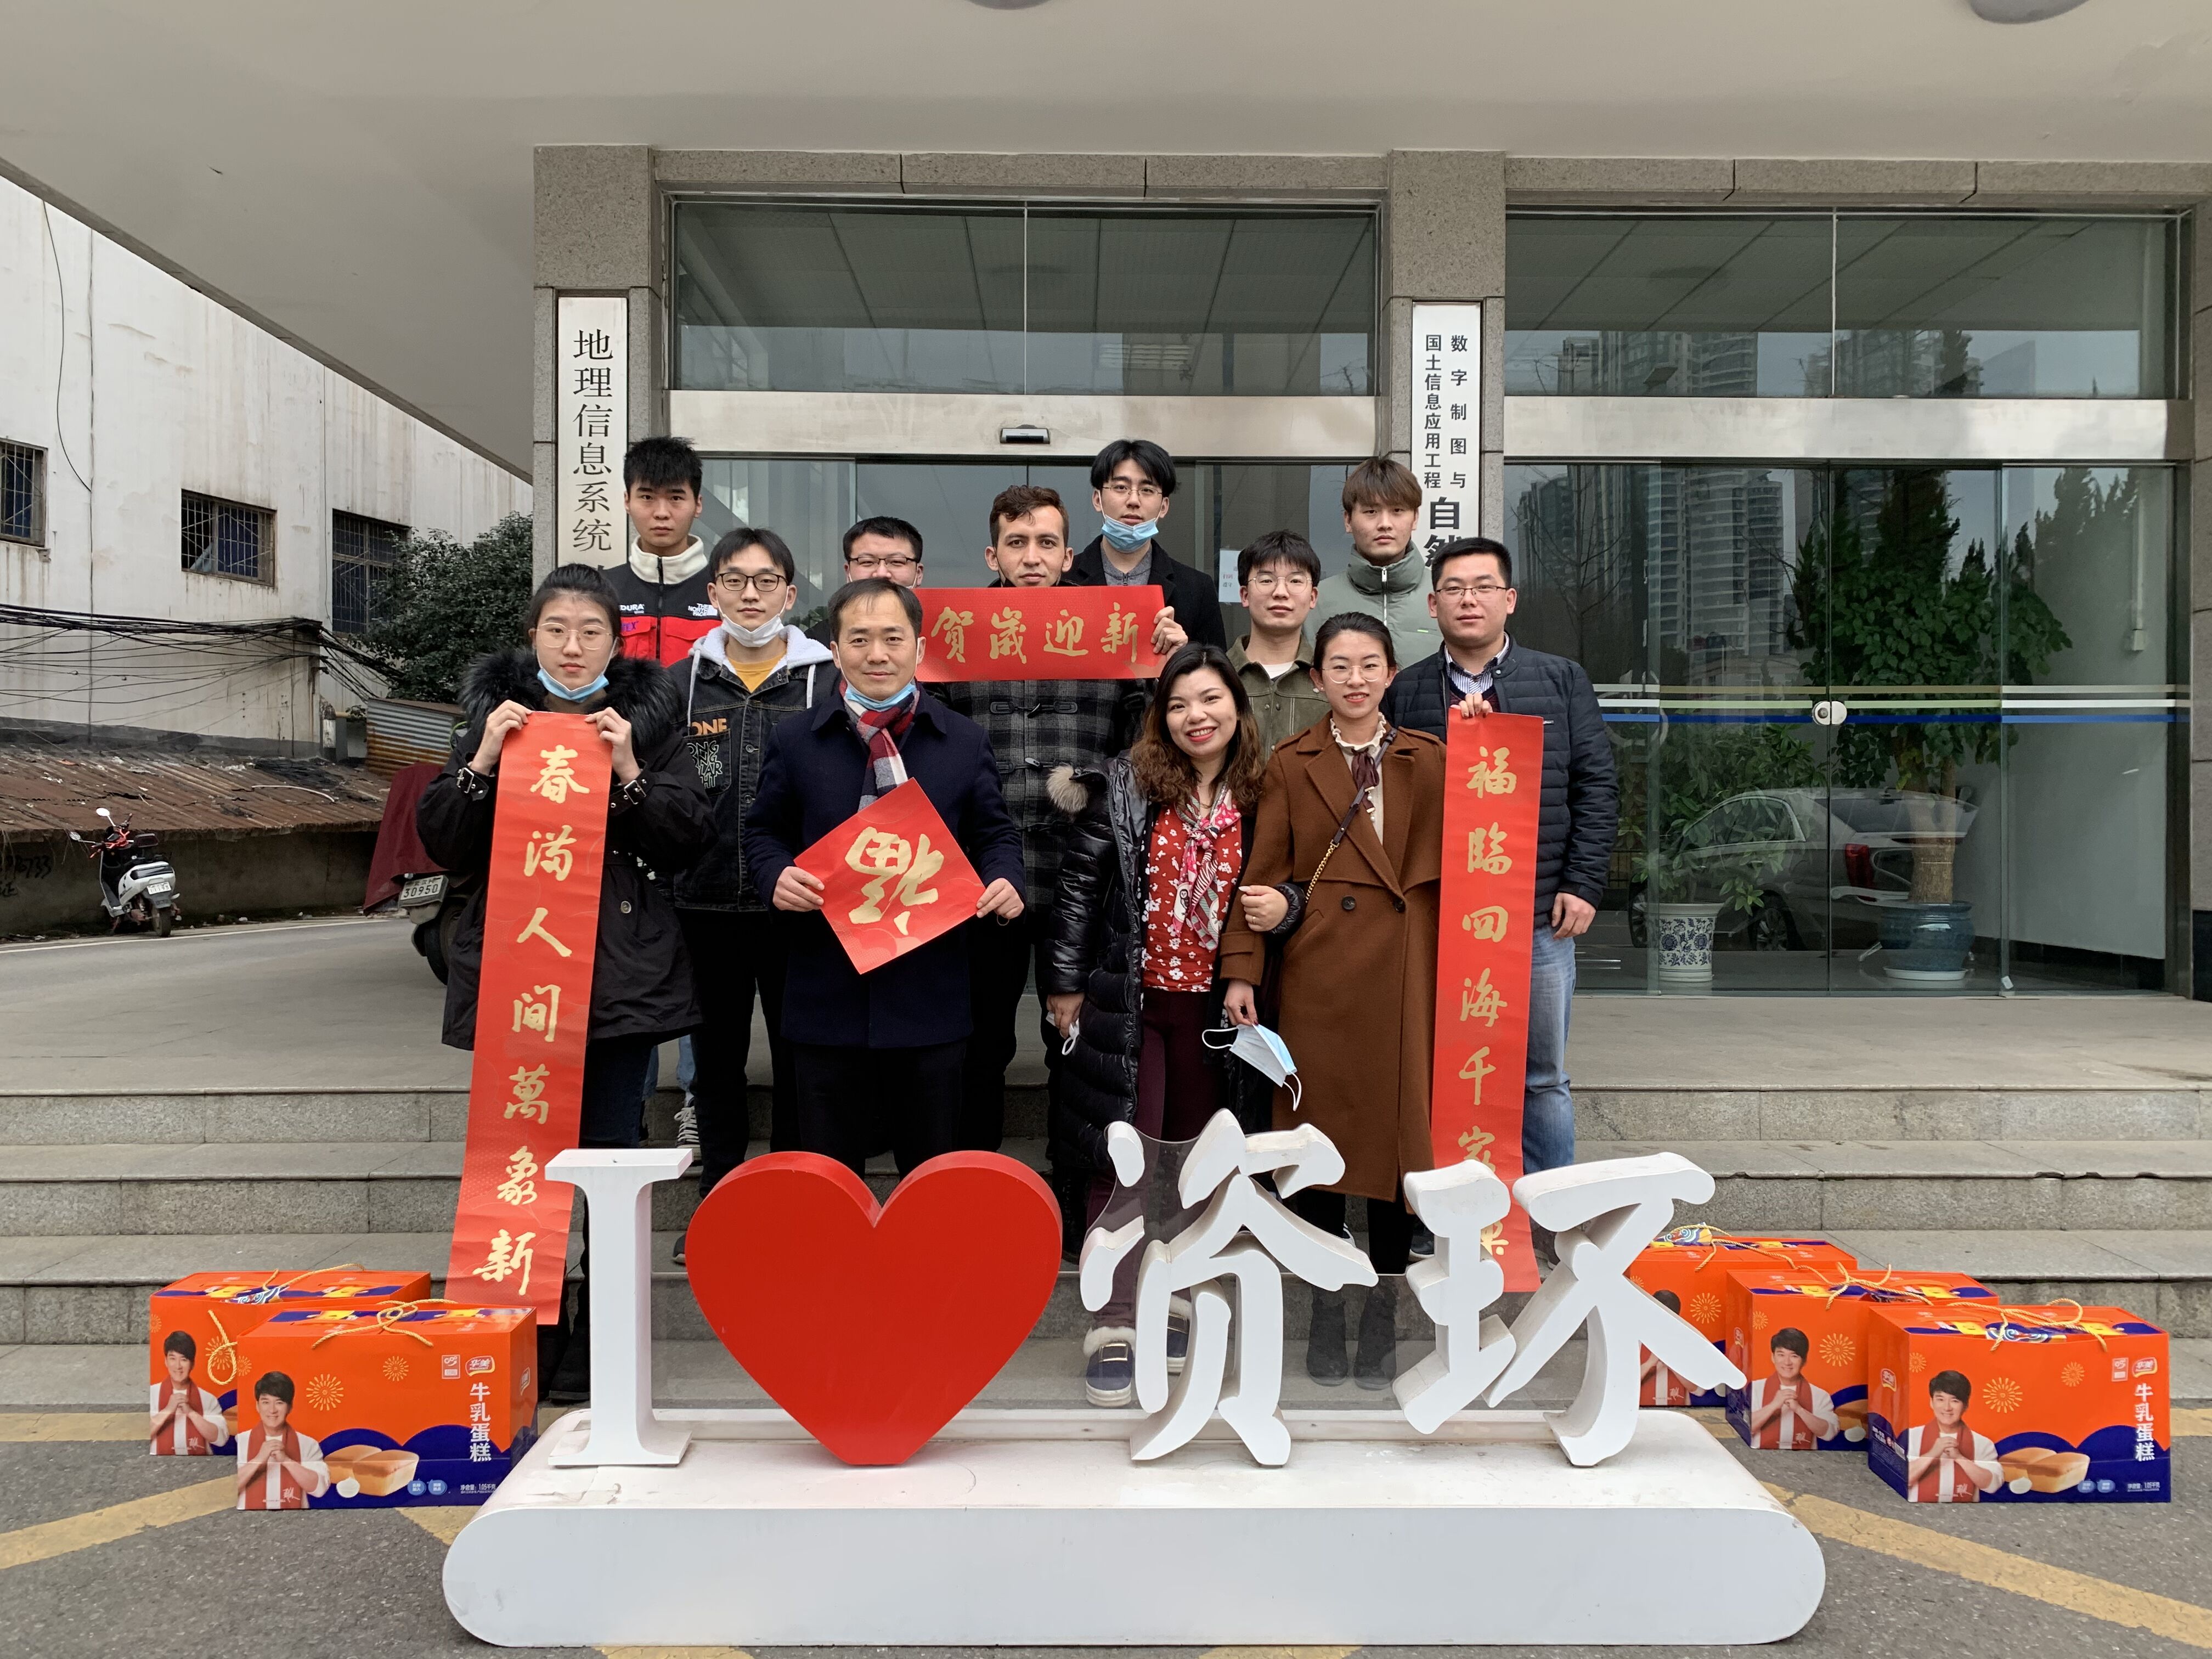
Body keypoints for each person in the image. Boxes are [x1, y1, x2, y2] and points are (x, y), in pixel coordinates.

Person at [417, 562, 714, 1401]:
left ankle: (600, 1326)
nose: (573, 647)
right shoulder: (495, 720)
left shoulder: (647, 724)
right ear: (533, 638)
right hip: (521, 978)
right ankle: (529, 1325)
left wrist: (629, 770)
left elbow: (688, 837)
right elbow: (442, 840)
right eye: (557, 630)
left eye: (590, 632)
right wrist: (483, 757)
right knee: (522, 1159)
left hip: (615, 979)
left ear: (616, 643)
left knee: (608, 1155)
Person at [1219, 612, 1447, 1390]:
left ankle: (1381, 1308)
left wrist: (1489, 740)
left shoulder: (1430, 758)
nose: (1355, 679)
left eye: (1369, 664)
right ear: (1317, 680)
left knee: (1394, 1148)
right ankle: (1325, 1303)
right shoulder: (1292, 761)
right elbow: (1261, 875)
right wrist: (1242, 972)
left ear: (1391, 675)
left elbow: (1480, 849)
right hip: (1318, 976)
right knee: (1316, 1148)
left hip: (1403, 976)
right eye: (1339, 666)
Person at [1040, 643, 1271, 1407]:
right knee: (1125, 1157)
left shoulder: (1267, 788)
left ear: (1236, 706)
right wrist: (1065, 983)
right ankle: (1113, 1319)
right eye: (1178, 705)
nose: (1195, 717)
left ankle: (1173, 1298)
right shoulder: (1129, 782)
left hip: (1217, 1012)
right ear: (1159, 717)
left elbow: (1294, 886)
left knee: (1199, 1162)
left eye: (1210, 700)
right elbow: (1080, 885)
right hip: (1131, 1003)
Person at [1381, 535, 1618, 1260]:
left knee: (1541, 1076)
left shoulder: (1561, 680)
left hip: (1537, 915)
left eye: (1484, 587)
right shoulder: (1408, 691)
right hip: (1443, 923)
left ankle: (1549, 1226)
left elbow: (1596, 786)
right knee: (1441, 1071)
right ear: (1433, 604)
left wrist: (1582, 884)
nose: (1470, 601)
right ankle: (1447, 1219)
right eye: (1454, 589)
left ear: (1509, 599)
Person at [743, 578, 1027, 1176]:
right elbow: (764, 832)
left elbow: (996, 835)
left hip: (930, 991)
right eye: (860, 639)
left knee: (930, 1175)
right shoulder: (796, 740)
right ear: (835, 650)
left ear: (919, 648)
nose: (878, 654)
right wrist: (776, 876)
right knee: (828, 1176)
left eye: (893, 638)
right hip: (826, 988)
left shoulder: (962, 741)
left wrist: (1006, 879)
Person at [935, 486, 1176, 1163]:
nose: (1032, 557)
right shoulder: (955, 632)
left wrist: (1164, 666)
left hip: (1083, 873)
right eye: (1016, 543)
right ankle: (973, 1178)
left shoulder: (1111, 626)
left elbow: (1147, 740)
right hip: (984, 874)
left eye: (1047, 543)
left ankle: (1071, 1182)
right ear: (993, 555)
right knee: (980, 1040)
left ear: (1070, 555)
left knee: (1077, 1036)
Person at [669, 527, 835, 1254]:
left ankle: (791, 1199)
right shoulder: (679, 684)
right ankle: (720, 1200)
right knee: (715, 1065)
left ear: (789, 594)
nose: (750, 595)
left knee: (801, 1058)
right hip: (703, 904)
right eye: (734, 581)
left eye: (766, 582)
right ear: (713, 593)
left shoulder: (825, 681)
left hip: (800, 905)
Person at [1069, 438, 1226, 648]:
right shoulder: (1063, 579)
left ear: (1164, 507)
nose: (1134, 501)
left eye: (1147, 490)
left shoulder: (1197, 588)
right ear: (1098, 500)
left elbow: (1216, 666)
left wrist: (1186, 654)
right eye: (1121, 487)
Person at [1313, 458, 1439, 667]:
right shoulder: (1316, 601)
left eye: (1397, 511)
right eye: (1371, 512)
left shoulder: (1444, 595)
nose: (1385, 524)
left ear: (1415, 518)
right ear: (1348, 520)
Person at [605, 435, 719, 665]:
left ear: (698, 504)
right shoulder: (602, 590)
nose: (661, 513)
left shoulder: (725, 591)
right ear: (627, 501)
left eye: (676, 498)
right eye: (647, 497)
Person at [1227, 530, 1328, 757]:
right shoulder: (1218, 676)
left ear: (1313, 597)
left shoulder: (1330, 678)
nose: (1281, 592)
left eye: (1295, 581)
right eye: (1266, 580)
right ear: (1245, 595)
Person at [809, 516, 927, 646]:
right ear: (848, 572)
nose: (881, 573)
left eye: (896, 562)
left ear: (918, 573)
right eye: (867, 562)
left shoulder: (941, 634)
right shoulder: (815, 645)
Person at [234, 1372, 328, 1510]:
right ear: (257, 1406)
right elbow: (224, 1490)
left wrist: (286, 1461)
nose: (272, 1410)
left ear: (290, 1407)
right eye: (266, 1402)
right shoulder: (239, 1441)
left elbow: (320, 1489)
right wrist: (258, 1460)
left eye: (279, 1403)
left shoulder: (308, 1444)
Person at [1905, 1370, 2002, 1502]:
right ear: (1931, 1402)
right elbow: (1901, 1478)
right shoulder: (1911, 1436)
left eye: (1955, 1401)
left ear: (1966, 1405)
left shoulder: (1982, 1443)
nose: (1947, 1408)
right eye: (1940, 1399)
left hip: (1967, 1512)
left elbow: (1993, 1486)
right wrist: (1932, 1454)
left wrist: (1959, 1458)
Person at [1745, 1327, 1838, 1449]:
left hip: (1805, 1458)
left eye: (1794, 1356)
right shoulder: (1756, 1388)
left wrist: (1799, 1410)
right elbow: (1745, 1426)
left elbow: (1829, 1434)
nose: (1787, 1362)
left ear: (1804, 1360)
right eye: (1781, 1355)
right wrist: (1773, 1406)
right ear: (1773, 1357)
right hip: (1759, 1456)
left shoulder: (1819, 1395)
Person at [149, 1330, 230, 1456]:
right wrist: (168, 1410)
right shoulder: (152, 1393)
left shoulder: (208, 1399)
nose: (178, 1366)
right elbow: (139, 1435)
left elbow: (221, 1440)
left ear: (193, 1364)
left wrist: (191, 1413)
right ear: (166, 1361)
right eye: (172, 1359)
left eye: (184, 1360)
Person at [1639, 1290, 1696, 1407]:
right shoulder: (1636, 1341)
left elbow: (1697, 1389)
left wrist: (1672, 1364)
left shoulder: (1686, 1343)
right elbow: (1623, 1385)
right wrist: (1650, 1363)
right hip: (1641, 1412)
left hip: (1678, 1411)